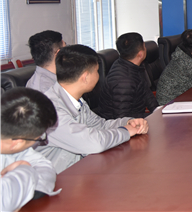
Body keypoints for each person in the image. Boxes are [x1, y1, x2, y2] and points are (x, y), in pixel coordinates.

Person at [37, 45, 149, 174]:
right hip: (55, 181)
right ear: (85, 77)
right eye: (96, 71)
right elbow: (93, 143)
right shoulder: (50, 110)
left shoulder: (76, 100)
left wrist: (128, 122)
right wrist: (125, 131)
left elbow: (100, 125)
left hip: (79, 172)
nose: (98, 75)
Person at [1, 88, 60, 212]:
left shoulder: (13, 146)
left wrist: (23, 192)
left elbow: (45, 166)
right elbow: (4, 202)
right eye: (39, 138)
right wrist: (25, 168)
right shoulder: (14, 142)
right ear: (17, 143)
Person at [96, 33, 158, 119]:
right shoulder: (123, 81)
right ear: (140, 54)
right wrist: (151, 116)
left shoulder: (131, 65)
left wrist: (158, 111)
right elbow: (122, 118)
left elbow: (146, 92)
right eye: (144, 46)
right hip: (120, 124)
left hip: (137, 118)